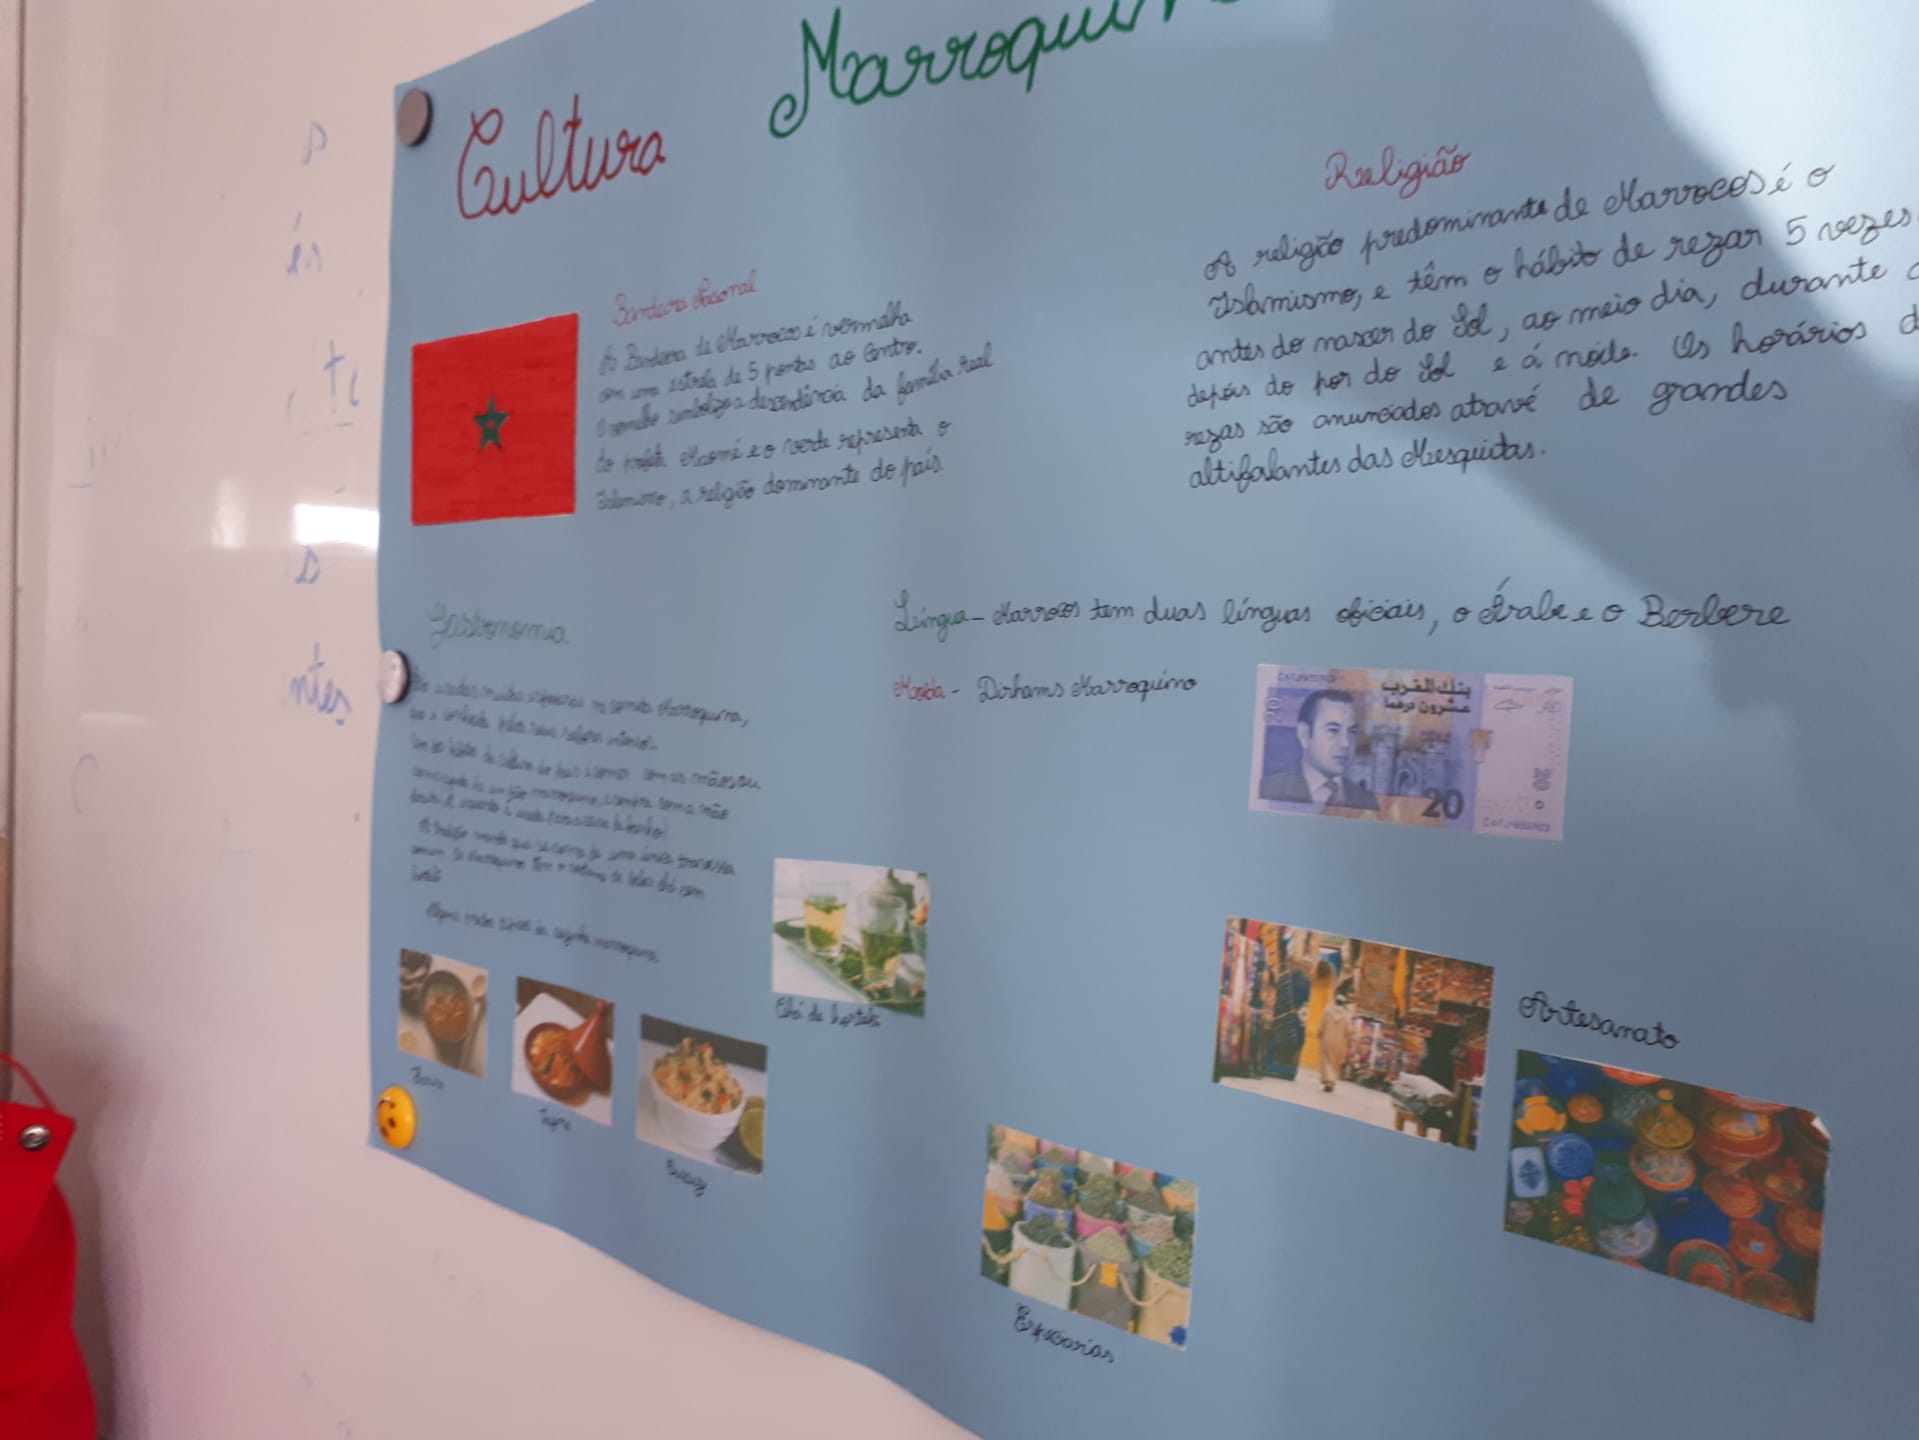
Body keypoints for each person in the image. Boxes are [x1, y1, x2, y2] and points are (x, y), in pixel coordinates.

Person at [1259, 689, 1380, 810]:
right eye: (1333, 730)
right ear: (1305, 734)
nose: (1346, 743)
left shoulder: (1368, 801)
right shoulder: (1266, 790)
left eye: (1352, 732)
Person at [1317, 985, 1354, 1093]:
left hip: (1327, 1039)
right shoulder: (1346, 1015)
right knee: (1335, 1062)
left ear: (1335, 1001)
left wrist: (1319, 1033)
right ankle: (1331, 1081)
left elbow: (1322, 1025)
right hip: (1339, 1042)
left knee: (1326, 1059)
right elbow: (1348, 1031)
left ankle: (1328, 1081)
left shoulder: (1328, 1011)